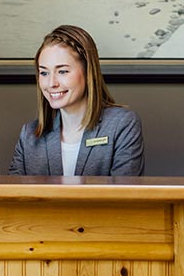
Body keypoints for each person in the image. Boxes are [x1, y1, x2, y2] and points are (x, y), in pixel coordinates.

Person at [9, 25, 145, 176]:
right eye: (44, 72)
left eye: (62, 71)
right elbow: (12, 197)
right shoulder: (29, 134)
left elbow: (124, 196)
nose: (51, 83)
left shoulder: (121, 124)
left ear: (88, 72)